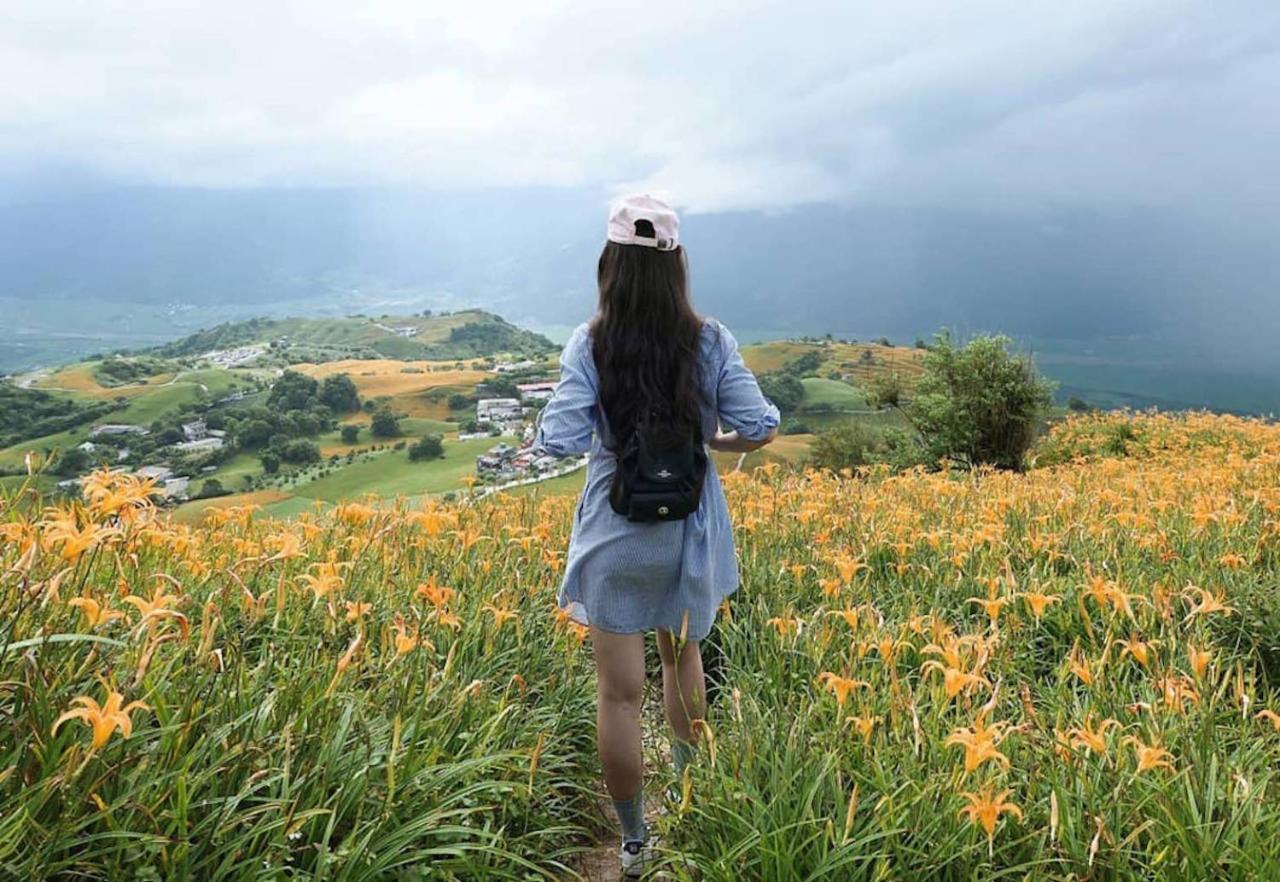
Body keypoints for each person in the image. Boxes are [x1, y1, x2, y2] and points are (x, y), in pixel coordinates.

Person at [534, 194, 779, 876]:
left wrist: (601, 441)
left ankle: (635, 842)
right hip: (688, 531)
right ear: (678, 266)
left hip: (614, 533)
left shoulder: (591, 342)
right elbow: (760, 428)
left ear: (609, 264)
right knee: (682, 664)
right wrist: (709, 439)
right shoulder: (711, 340)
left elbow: (556, 437)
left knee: (617, 695)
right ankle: (691, 809)